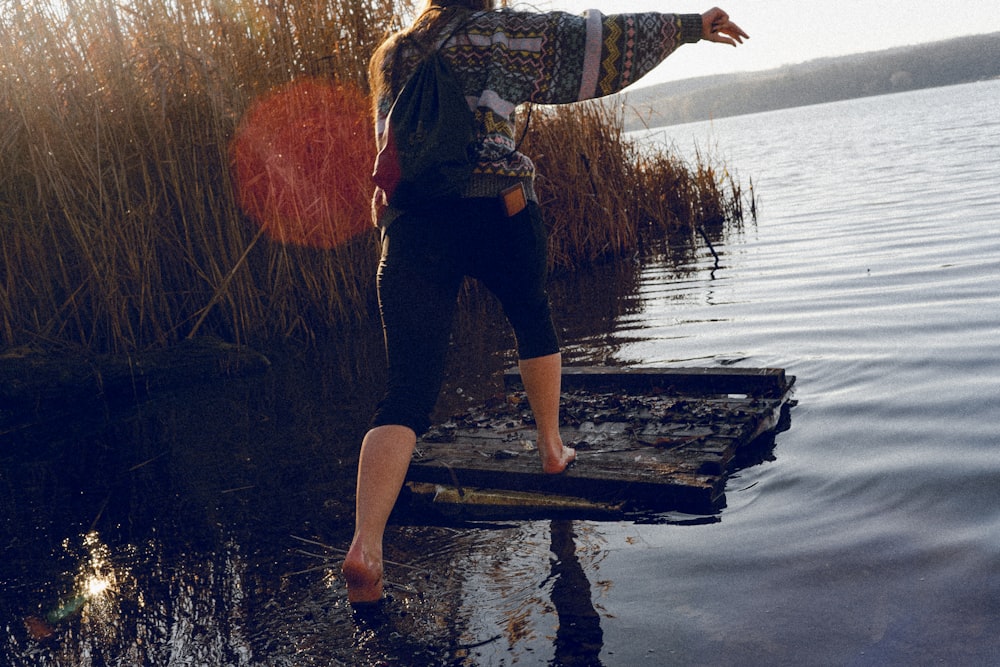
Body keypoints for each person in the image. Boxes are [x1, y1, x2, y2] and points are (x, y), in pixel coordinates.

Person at [343, 1, 748, 605]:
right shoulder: (507, 30)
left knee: (406, 390)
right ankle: (552, 450)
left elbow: (396, 146)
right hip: (498, 209)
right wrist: (690, 26)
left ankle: (365, 546)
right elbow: (601, 43)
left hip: (414, 229)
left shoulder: (393, 54)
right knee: (531, 317)